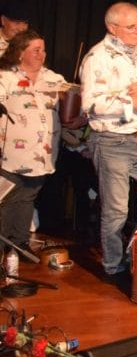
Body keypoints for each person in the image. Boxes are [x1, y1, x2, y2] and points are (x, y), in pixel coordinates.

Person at [81, 2, 137, 277]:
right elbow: (89, 104)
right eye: (130, 27)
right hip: (112, 141)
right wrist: (130, 101)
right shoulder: (97, 57)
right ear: (112, 28)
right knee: (116, 210)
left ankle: (134, 251)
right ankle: (113, 267)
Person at [0, 31, 85, 249]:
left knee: (26, 199)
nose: (42, 54)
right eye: (36, 50)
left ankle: (18, 246)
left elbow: (76, 105)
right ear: (20, 53)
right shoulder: (5, 77)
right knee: (6, 202)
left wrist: (79, 115)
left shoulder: (54, 79)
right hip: (11, 157)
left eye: (43, 50)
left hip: (42, 156)